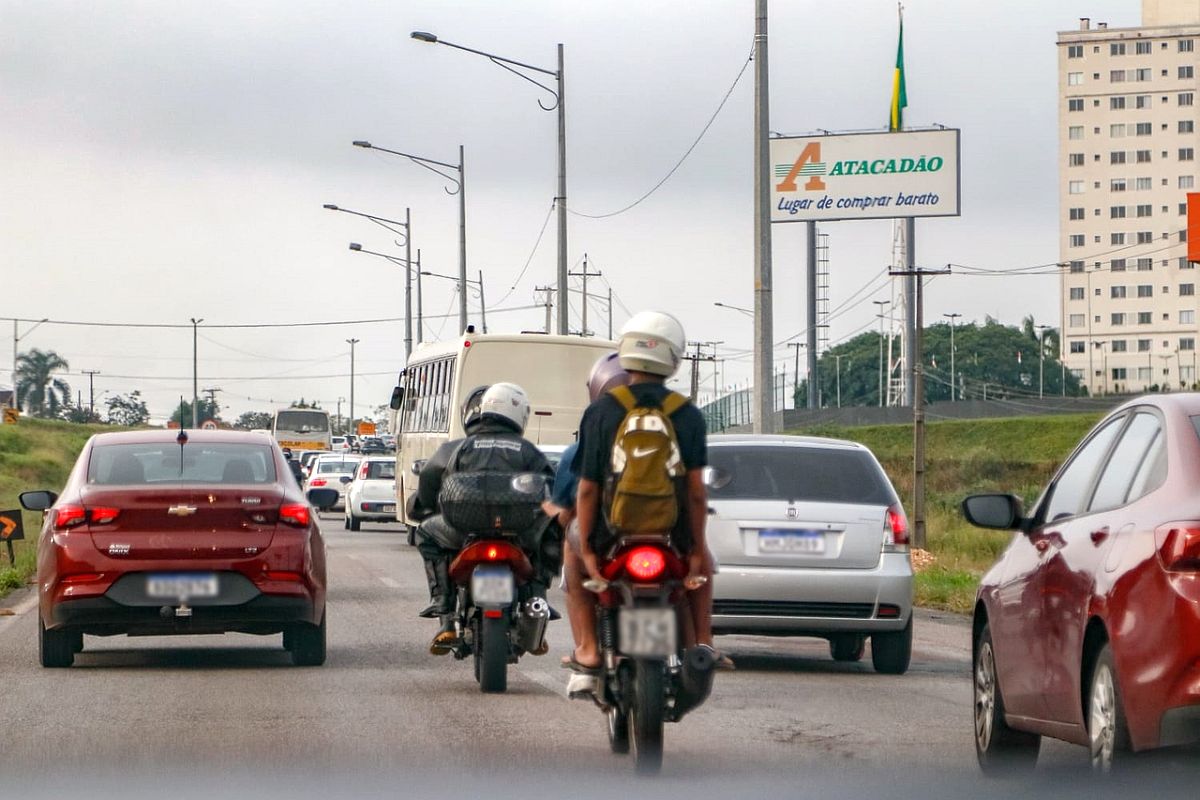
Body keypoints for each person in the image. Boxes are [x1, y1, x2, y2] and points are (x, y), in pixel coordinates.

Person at [558, 312, 728, 693]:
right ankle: (703, 642)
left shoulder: (601, 411)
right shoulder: (687, 414)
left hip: (610, 532)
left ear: (627, 351)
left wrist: (588, 550)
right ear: (673, 358)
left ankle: (589, 649)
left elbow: (587, 489)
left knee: (570, 550)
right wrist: (695, 551)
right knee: (703, 563)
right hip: (672, 532)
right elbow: (696, 492)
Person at [411, 382, 558, 654]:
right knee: (550, 535)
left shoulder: (460, 448)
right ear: (519, 415)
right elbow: (552, 488)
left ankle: (443, 606)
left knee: (425, 533)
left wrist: (429, 507)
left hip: (464, 530)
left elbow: (438, 485)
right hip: (517, 532)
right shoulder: (527, 450)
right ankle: (537, 598)